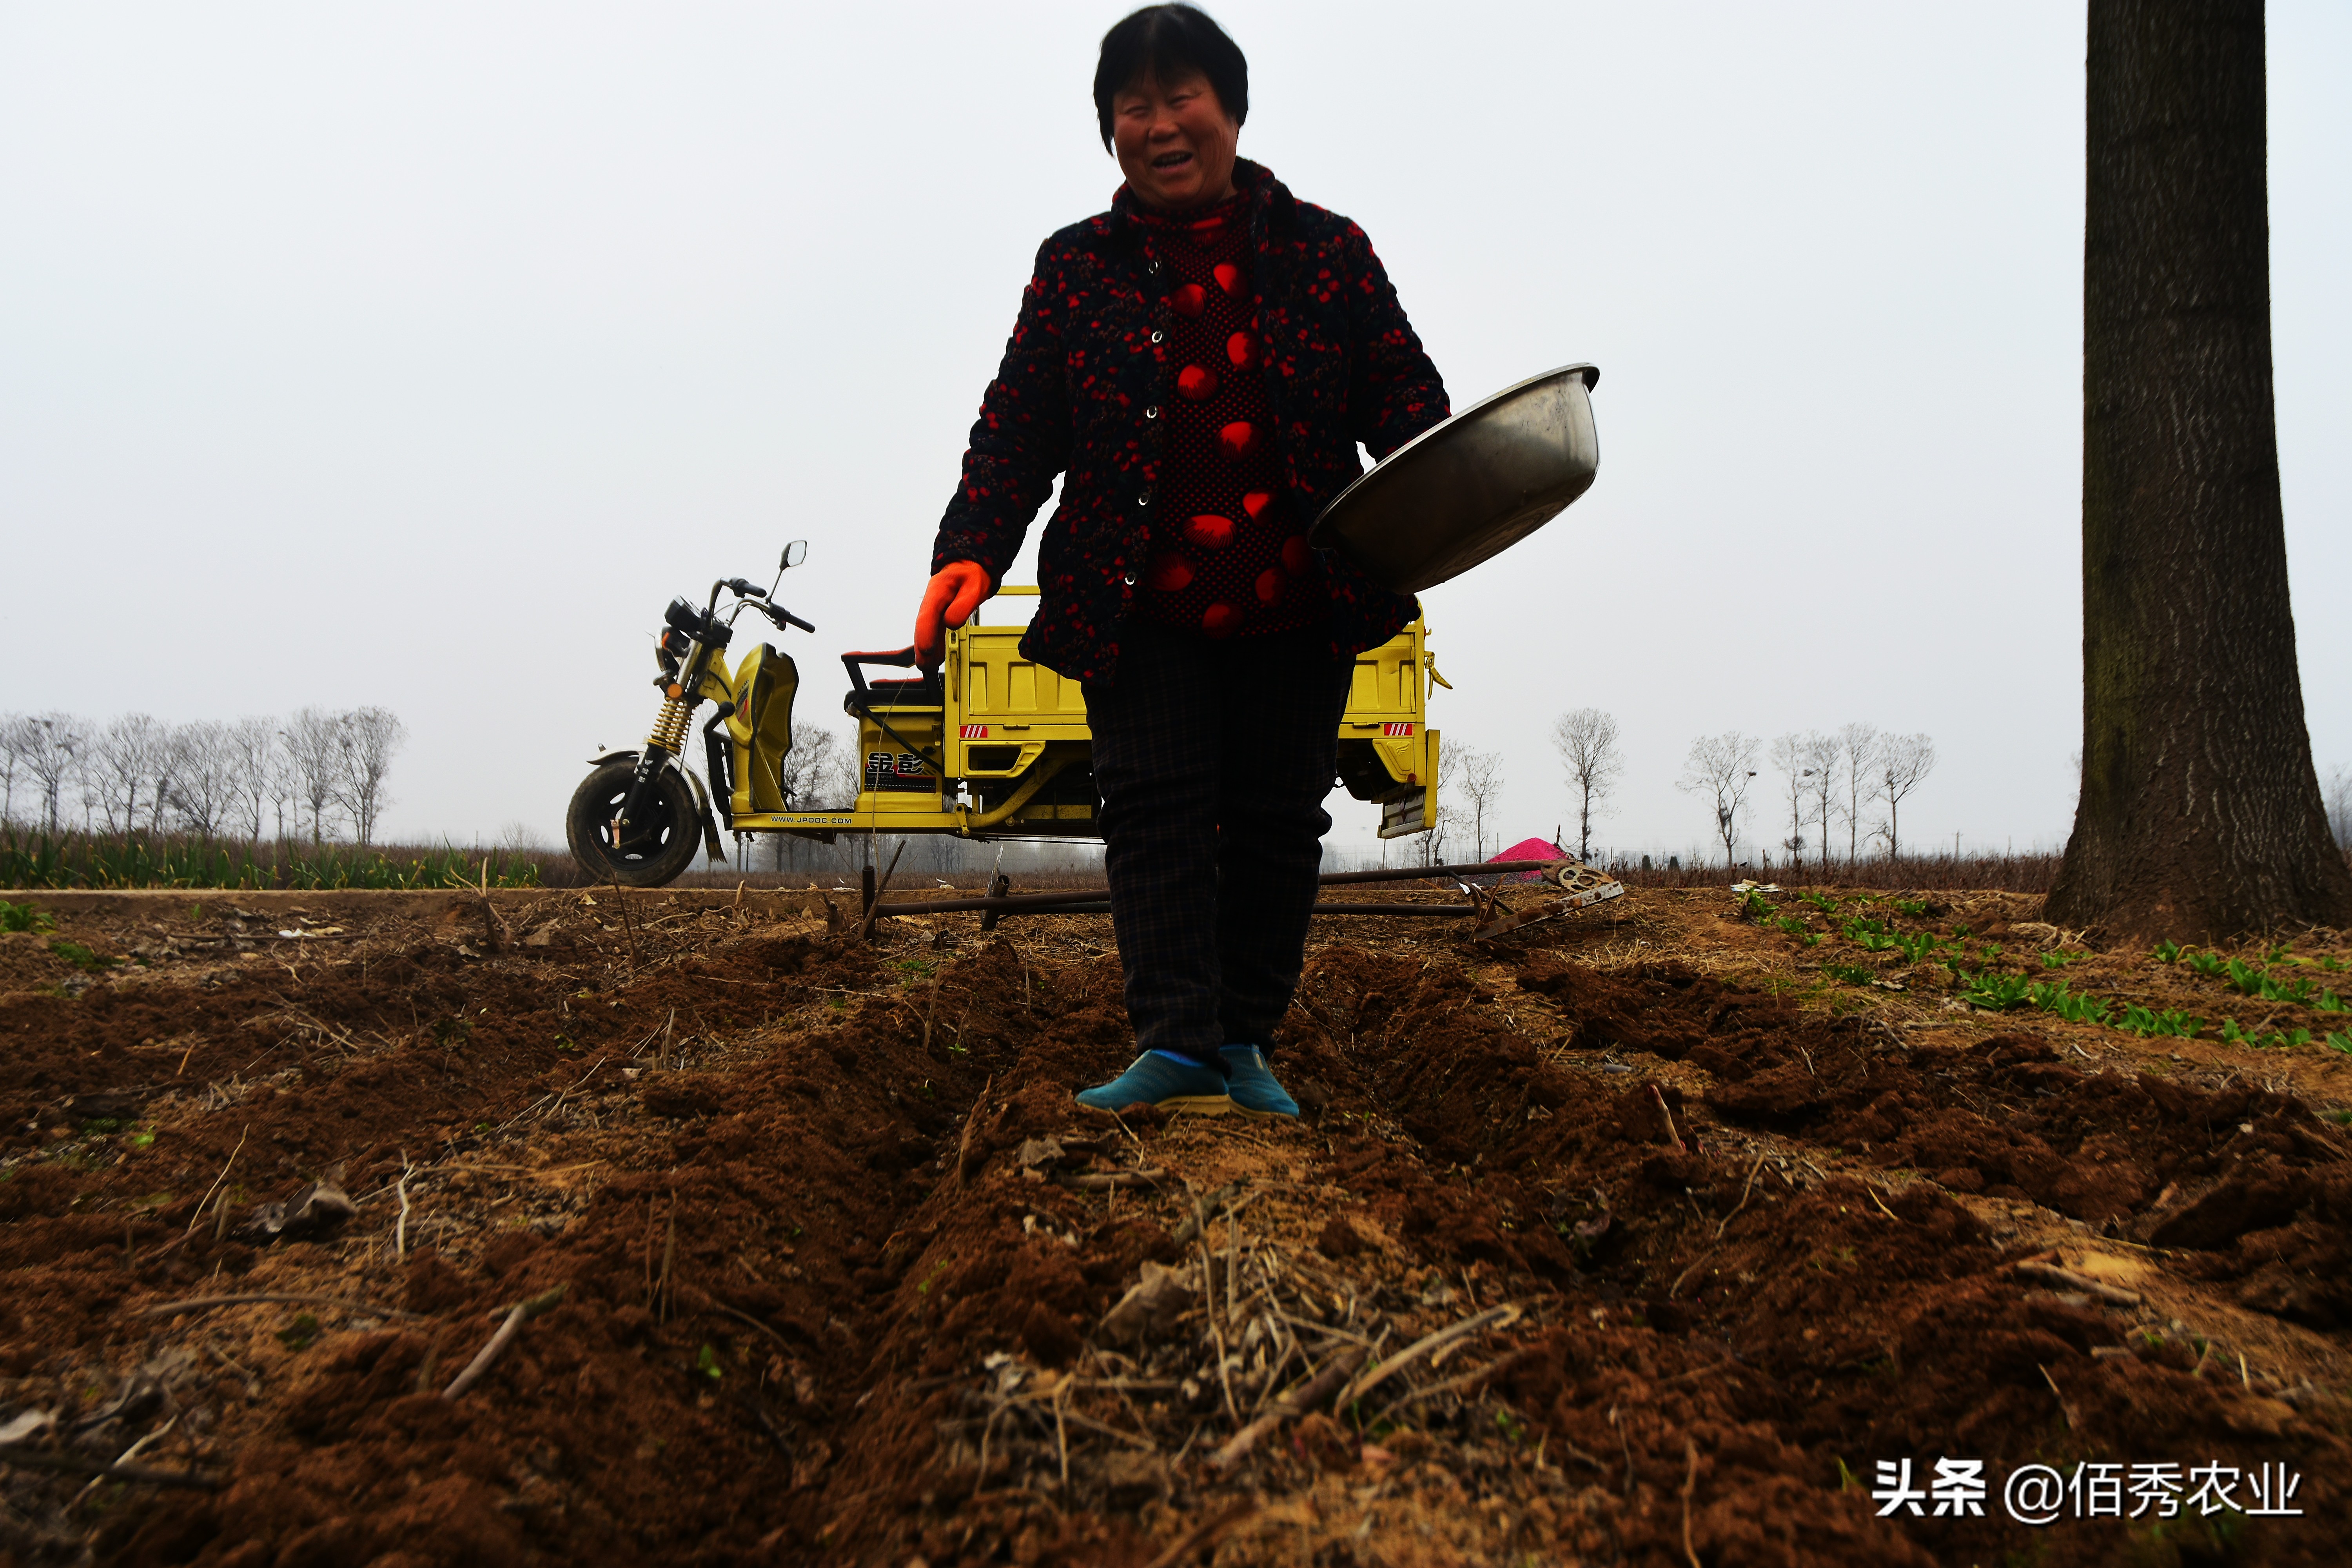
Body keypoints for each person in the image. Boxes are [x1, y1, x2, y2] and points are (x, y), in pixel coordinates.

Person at [914, 3, 1448, 1117]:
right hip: (1135, 604)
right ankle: (1174, 1047)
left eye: (1181, 97)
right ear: (1111, 130)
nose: (1159, 123)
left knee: (1274, 821)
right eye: (1133, 106)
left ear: (1233, 111)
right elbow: (1017, 427)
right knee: (1151, 814)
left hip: (1298, 598)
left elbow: (1406, 400)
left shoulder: (1327, 253)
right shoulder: (1077, 269)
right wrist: (969, 552)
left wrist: (1450, 498)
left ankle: (1243, 1043)